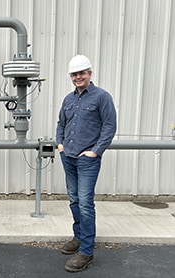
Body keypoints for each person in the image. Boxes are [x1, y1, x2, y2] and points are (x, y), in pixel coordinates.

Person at [55, 54, 117, 272]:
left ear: (90, 73)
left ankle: (87, 252)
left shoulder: (102, 97)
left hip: (87, 161)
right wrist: (60, 144)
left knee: (85, 203)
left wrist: (95, 152)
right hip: (68, 157)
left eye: (82, 73)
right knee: (73, 200)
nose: (78, 77)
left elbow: (109, 127)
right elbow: (61, 123)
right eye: (74, 74)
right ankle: (78, 237)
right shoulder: (68, 99)